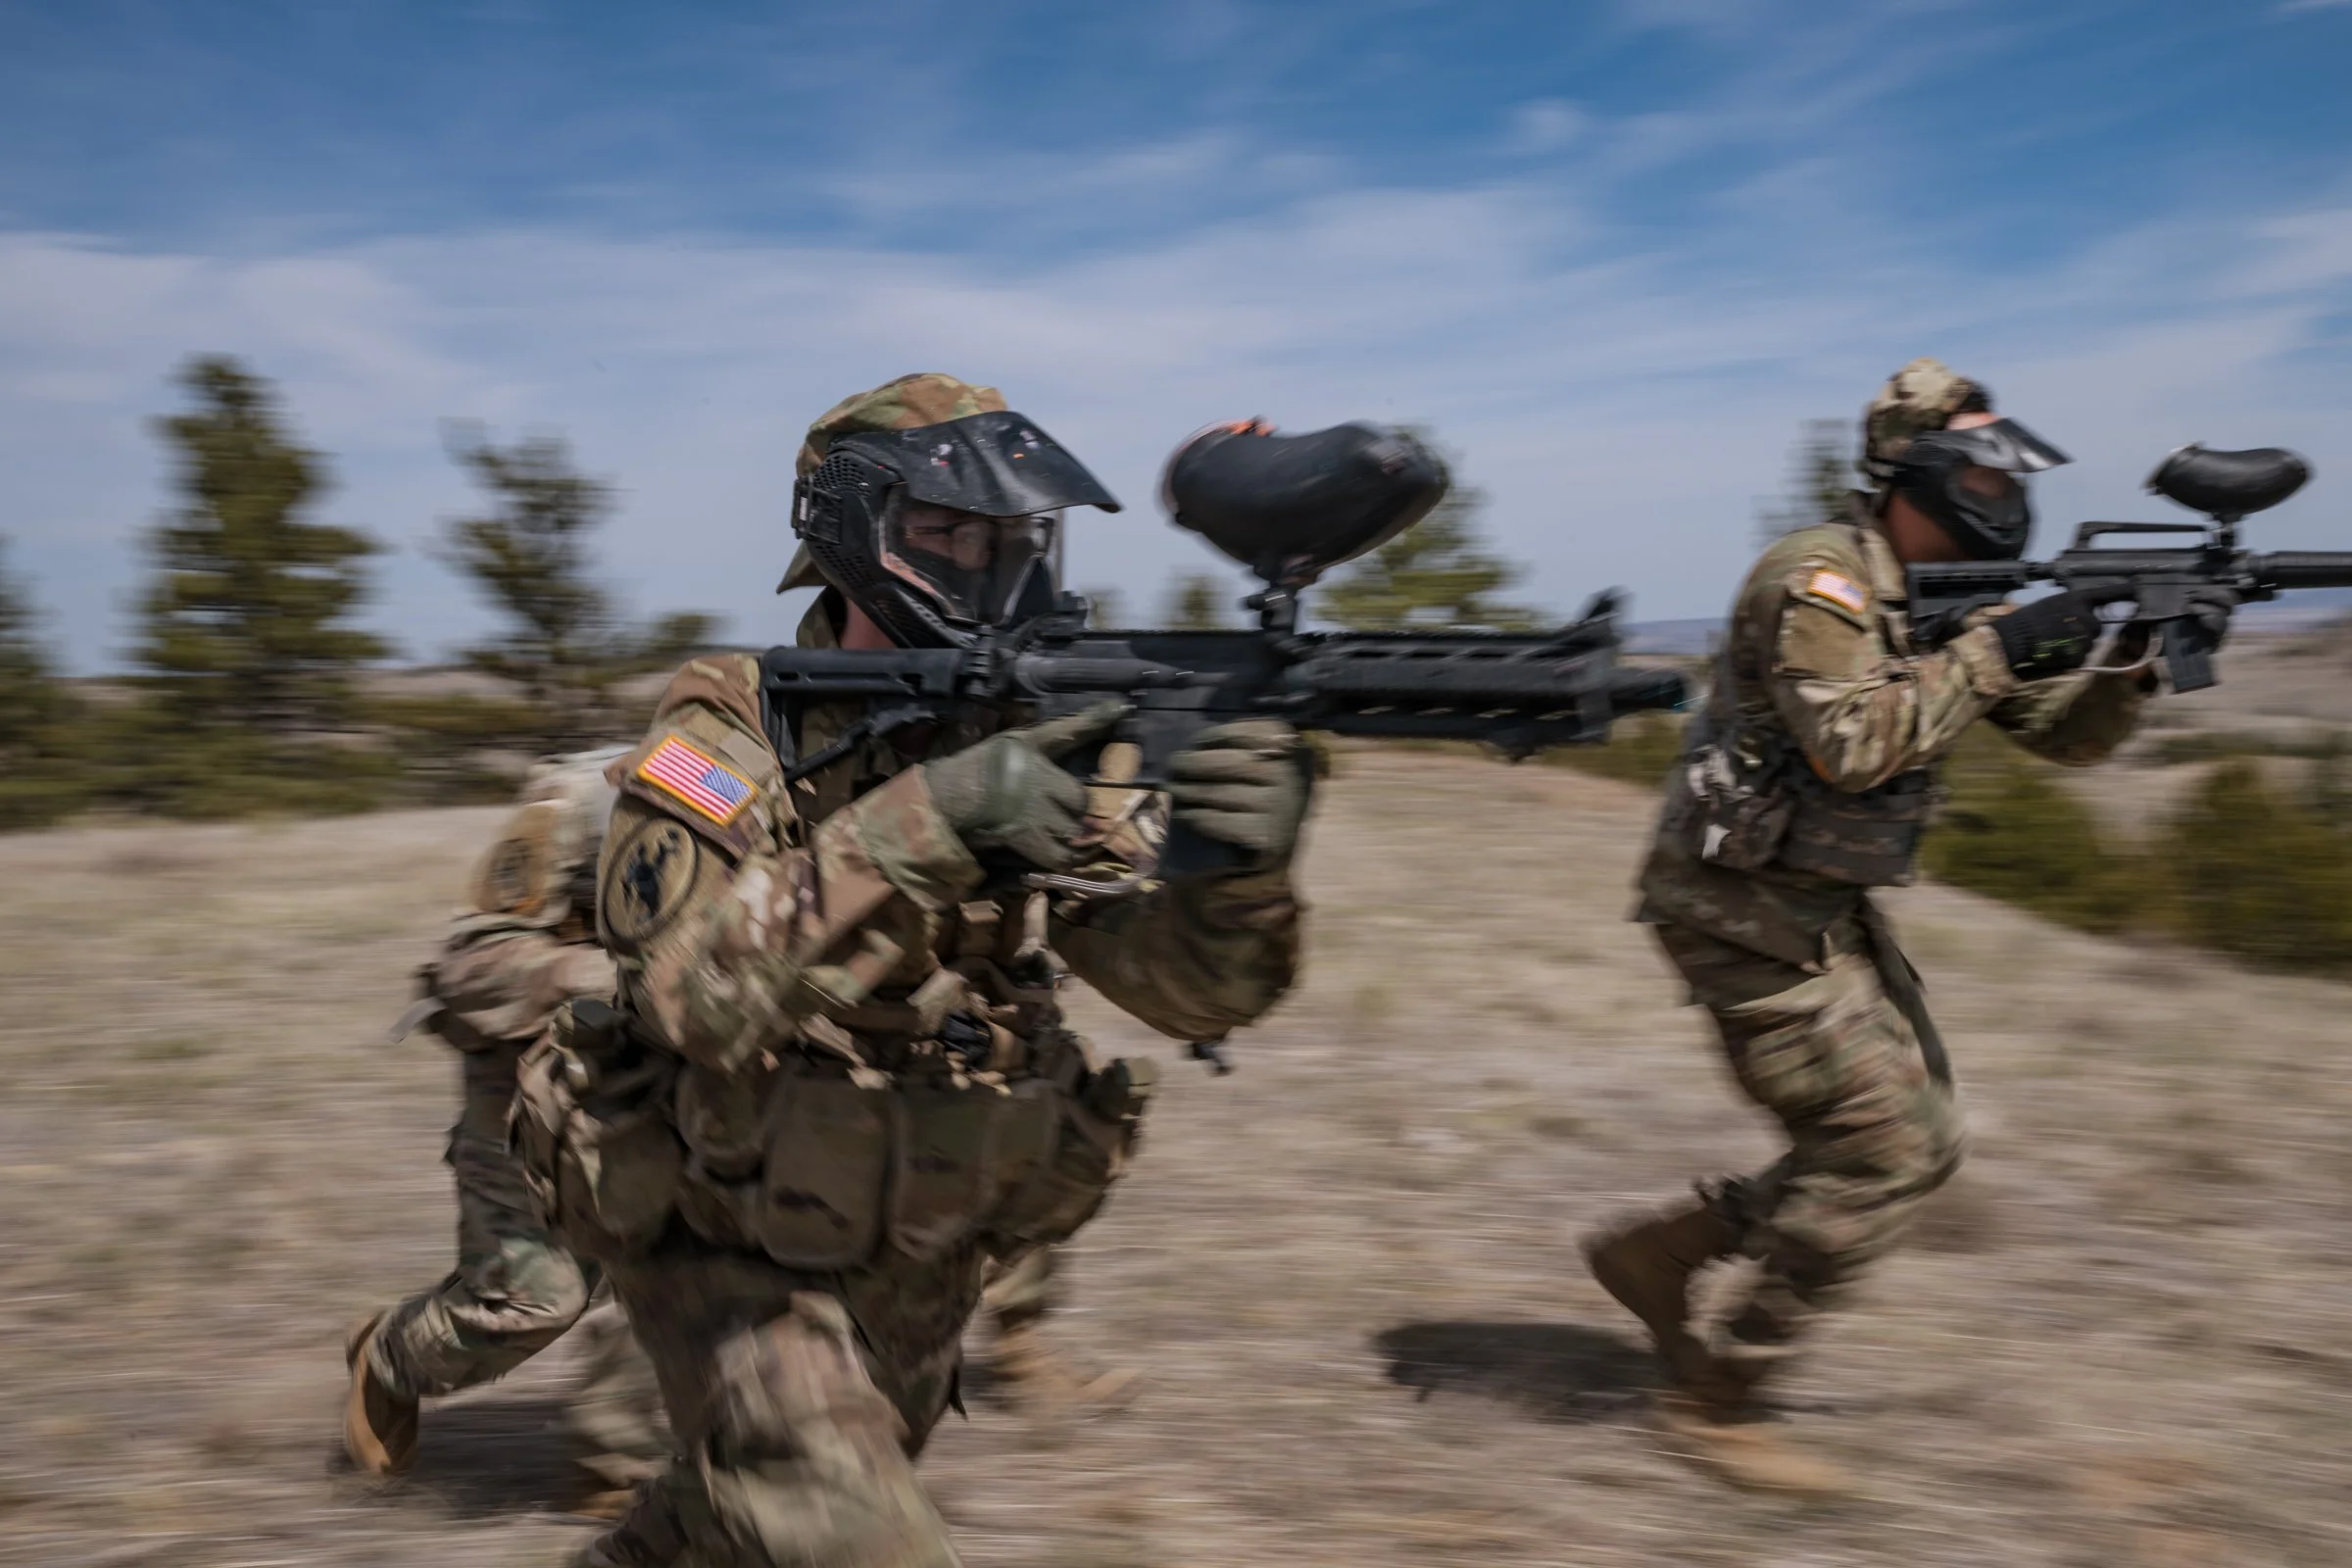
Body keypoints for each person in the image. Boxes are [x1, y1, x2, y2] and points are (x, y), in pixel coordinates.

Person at [516, 372, 1310, 1567]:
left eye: (1005, 534)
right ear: (855, 533)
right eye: (946, 528)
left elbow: (1190, 994)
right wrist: (927, 822)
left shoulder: (1019, 727)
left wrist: (1237, 875)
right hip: (731, 1248)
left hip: (925, 1254)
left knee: (707, 1531)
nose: (984, 558)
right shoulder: (727, 736)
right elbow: (682, 995)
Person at [1584, 358, 2235, 1494]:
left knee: (1918, 1145)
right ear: (1910, 474)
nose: (2002, 487)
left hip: (1814, 905)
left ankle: (1666, 1251)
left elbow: (2066, 740)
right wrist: (1997, 649)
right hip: (1735, 914)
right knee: (1883, 1149)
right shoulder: (1820, 581)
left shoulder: (1964, 599)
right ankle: (1716, 1400)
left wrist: (2134, 658)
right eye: (1978, 461)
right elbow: (1853, 743)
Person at [344, 750, 672, 1511]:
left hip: (681, 1086)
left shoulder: (791, 804)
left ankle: (616, 1464)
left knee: (690, 1270)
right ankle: (392, 1355)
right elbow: (471, 967)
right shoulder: (585, 799)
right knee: (536, 1302)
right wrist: (620, 982)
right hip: (541, 1087)